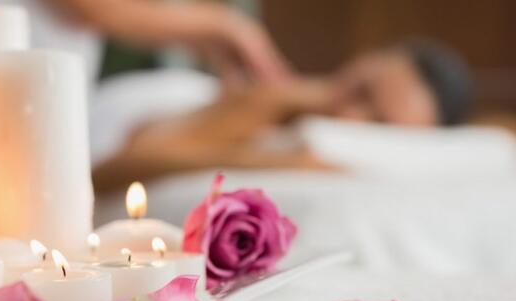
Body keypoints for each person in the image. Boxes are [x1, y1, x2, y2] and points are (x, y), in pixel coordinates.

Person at [91, 40, 473, 190]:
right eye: (362, 91)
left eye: (380, 125)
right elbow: (109, 168)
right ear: (365, 59)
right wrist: (274, 161)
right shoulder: (272, 100)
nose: (352, 116)